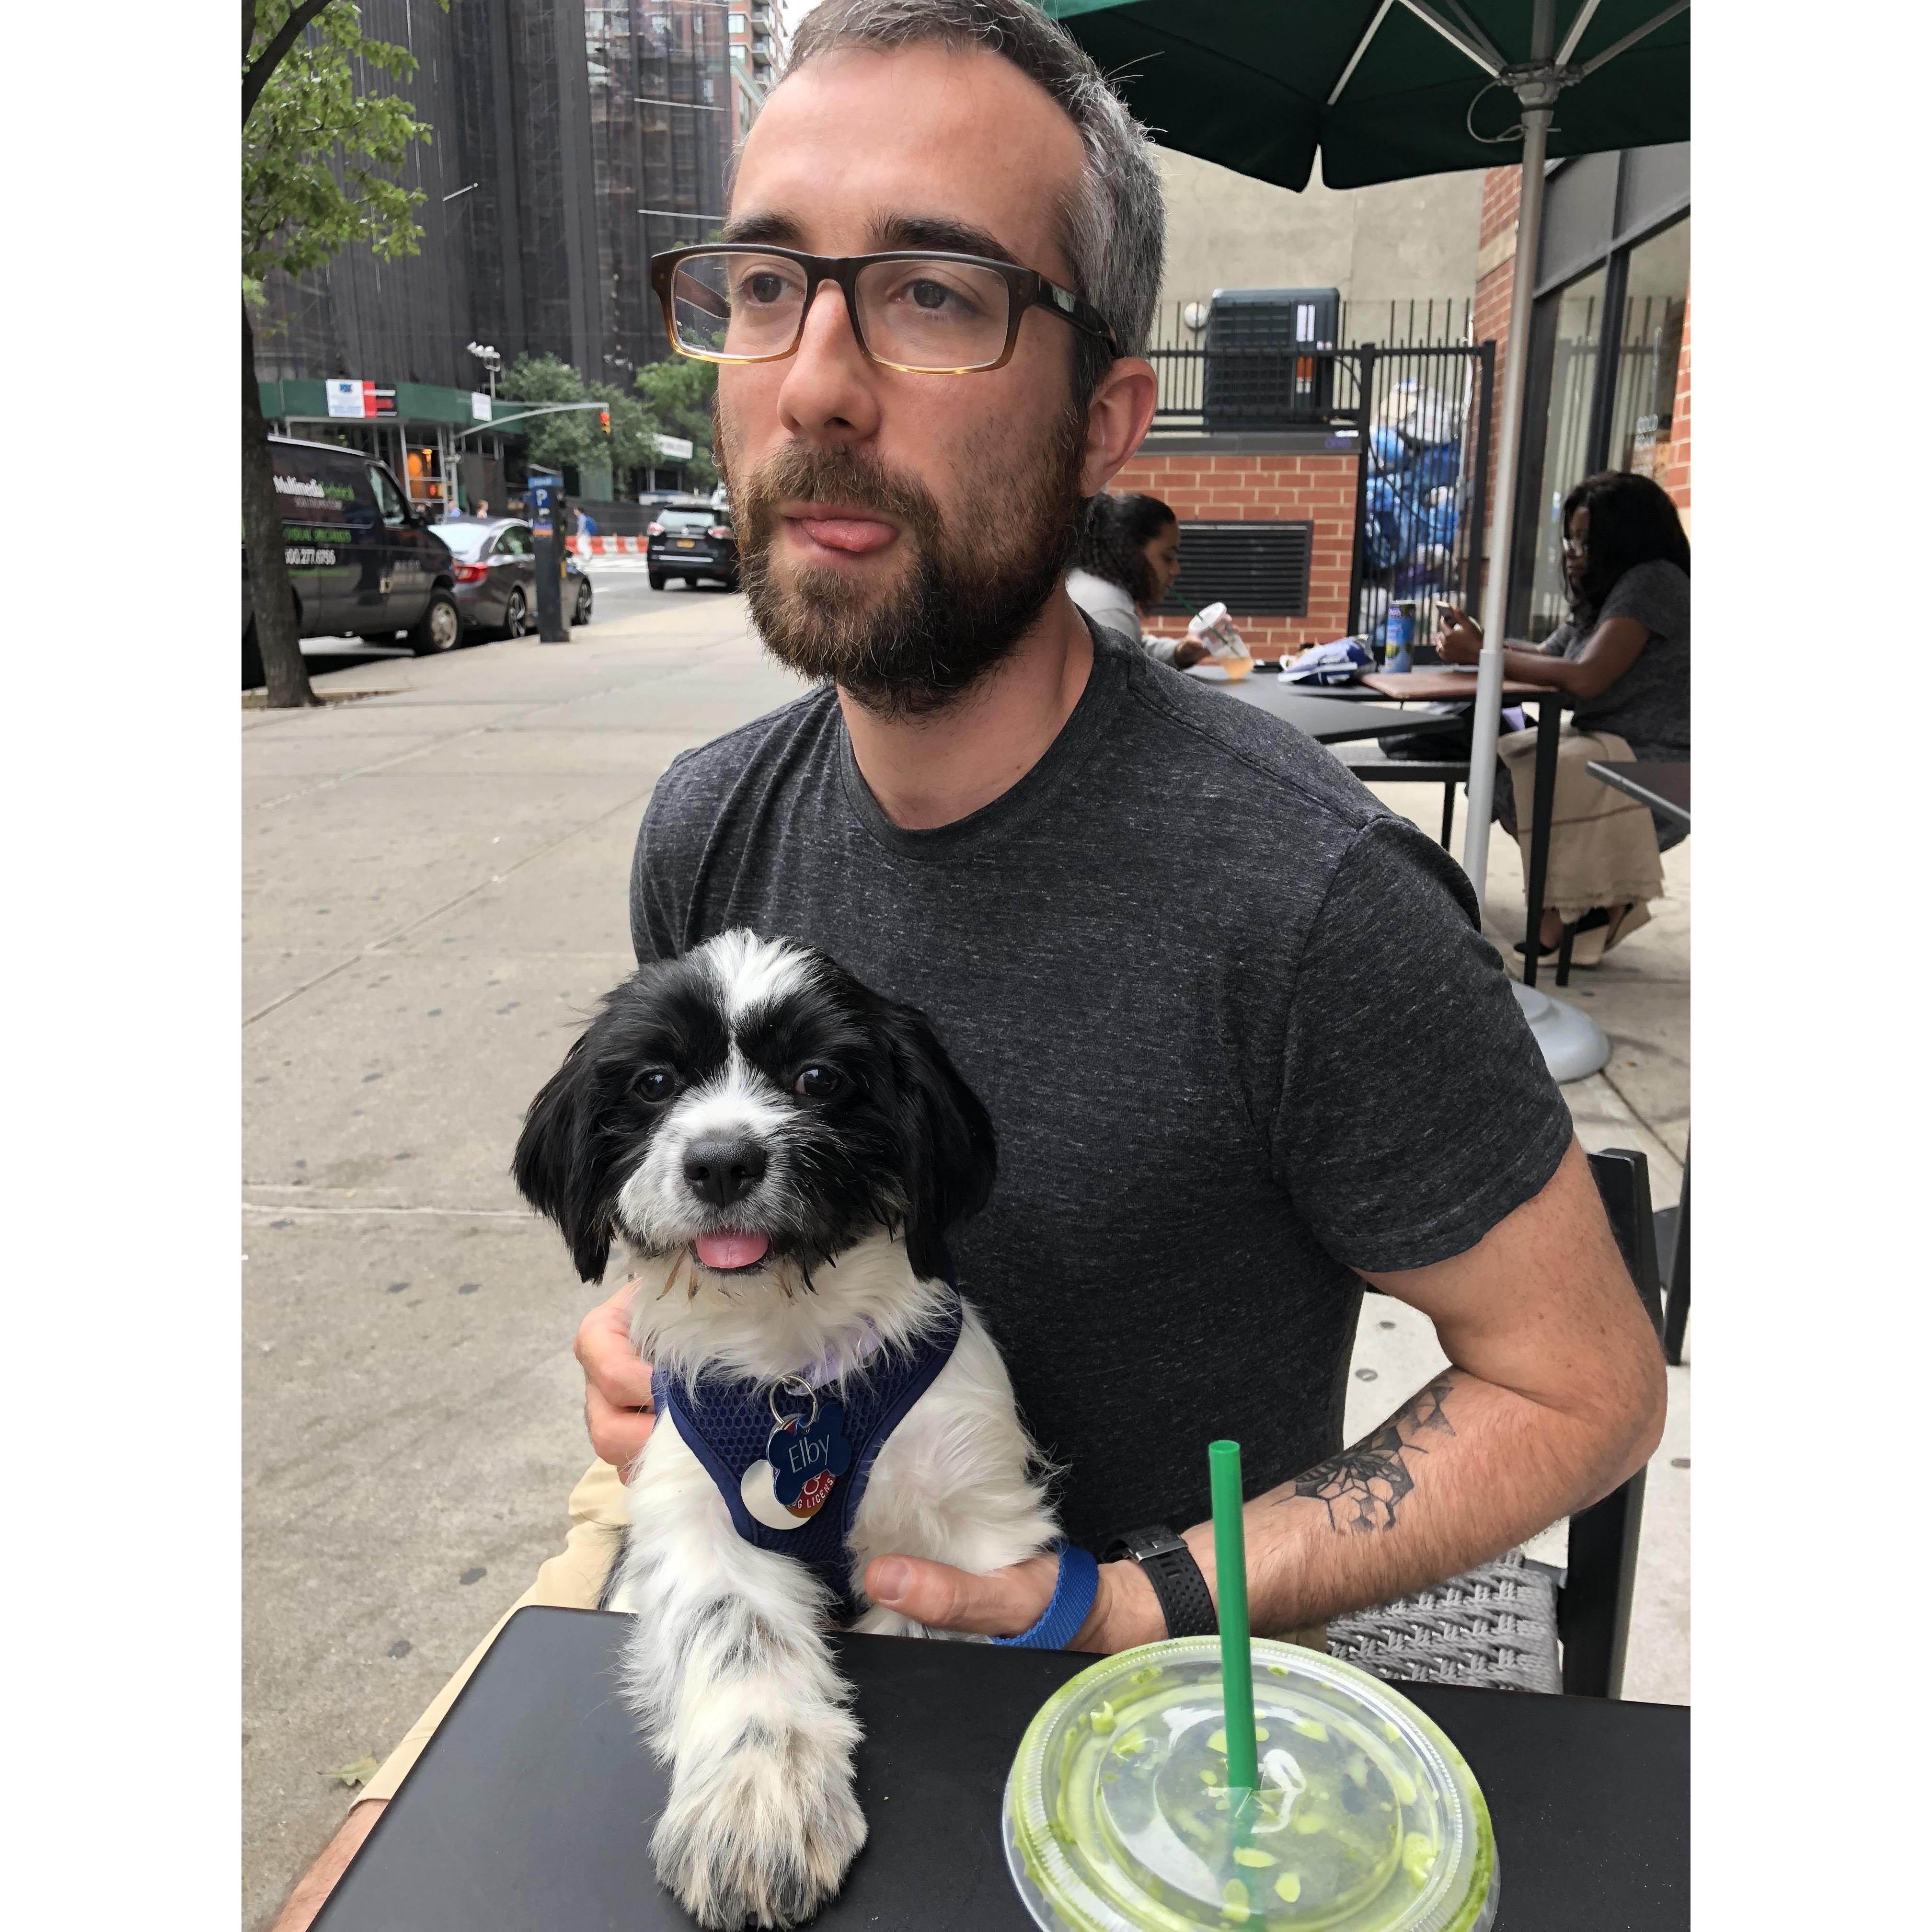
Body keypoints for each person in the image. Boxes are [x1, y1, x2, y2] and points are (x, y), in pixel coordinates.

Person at [276, 6, 1665, 1920]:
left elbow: (1585, 1392)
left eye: (932, 293)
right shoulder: (708, 825)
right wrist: (644, 1337)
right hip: (745, 1613)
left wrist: (1135, 1594)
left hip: (1138, 1737)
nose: (820, 380)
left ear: (1106, 414)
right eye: (767, 284)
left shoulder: (1308, 900)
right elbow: (673, 1251)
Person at [1438, 470, 1690, 964]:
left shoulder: (1652, 583)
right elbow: (1550, 655)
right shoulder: (1607, 594)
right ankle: (1584, 903)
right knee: (1499, 763)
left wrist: (1482, 654)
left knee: (1526, 770)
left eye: (1586, 541)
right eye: (1570, 540)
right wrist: (1483, 642)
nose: (1574, 553)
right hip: (1610, 740)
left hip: (1664, 762)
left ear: (1624, 539)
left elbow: (1585, 677)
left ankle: (1569, 907)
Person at [1066, 490, 1208, 667]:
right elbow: (1125, 679)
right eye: (1167, 557)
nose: (1175, 570)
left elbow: (1133, 653)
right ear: (1133, 552)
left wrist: (1178, 653)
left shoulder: (1093, 588)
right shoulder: (1108, 605)